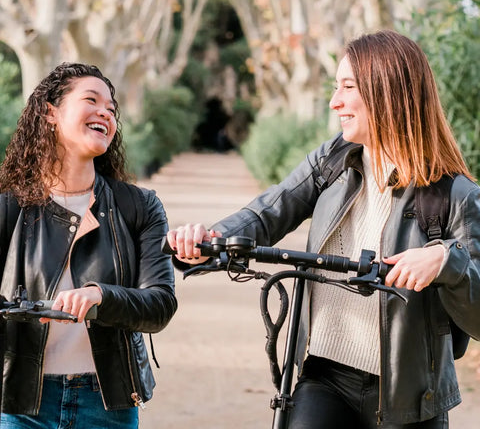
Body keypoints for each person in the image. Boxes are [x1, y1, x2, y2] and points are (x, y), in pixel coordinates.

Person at [167, 30, 480, 428]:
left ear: (388, 91)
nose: (336, 102)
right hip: (326, 376)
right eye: (336, 87)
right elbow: (269, 211)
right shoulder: (332, 161)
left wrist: (444, 261)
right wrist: (213, 239)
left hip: (414, 397)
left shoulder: (455, 195)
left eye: (348, 87)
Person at [0, 62, 177, 428]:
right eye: (91, 100)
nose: (105, 113)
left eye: (111, 109)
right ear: (50, 113)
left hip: (108, 403)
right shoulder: (8, 205)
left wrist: (102, 296)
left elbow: (160, 303)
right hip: (20, 404)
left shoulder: (138, 207)